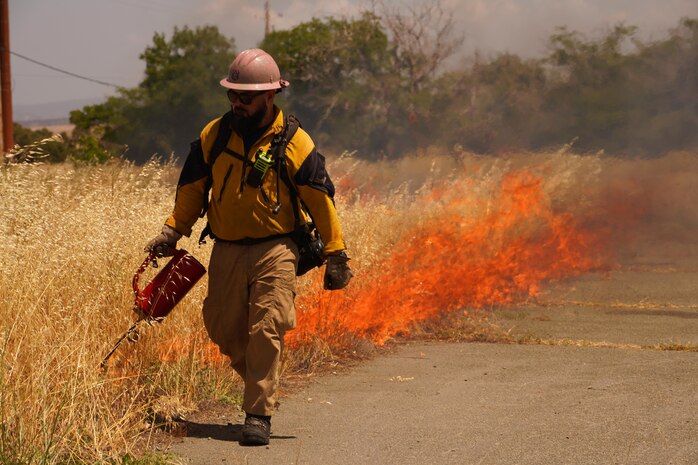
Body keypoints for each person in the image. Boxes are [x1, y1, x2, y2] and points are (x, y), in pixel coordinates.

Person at [146, 48, 352, 446]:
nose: (238, 103)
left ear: (271, 95)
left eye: (246, 97)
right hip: (226, 247)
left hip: (276, 248)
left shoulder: (295, 143)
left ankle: (258, 413)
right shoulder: (214, 136)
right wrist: (172, 232)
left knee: (267, 325)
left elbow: (319, 201)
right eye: (232, 95)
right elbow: (191, 191)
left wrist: (336, 252)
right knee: (222, 328)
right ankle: (264, 377)